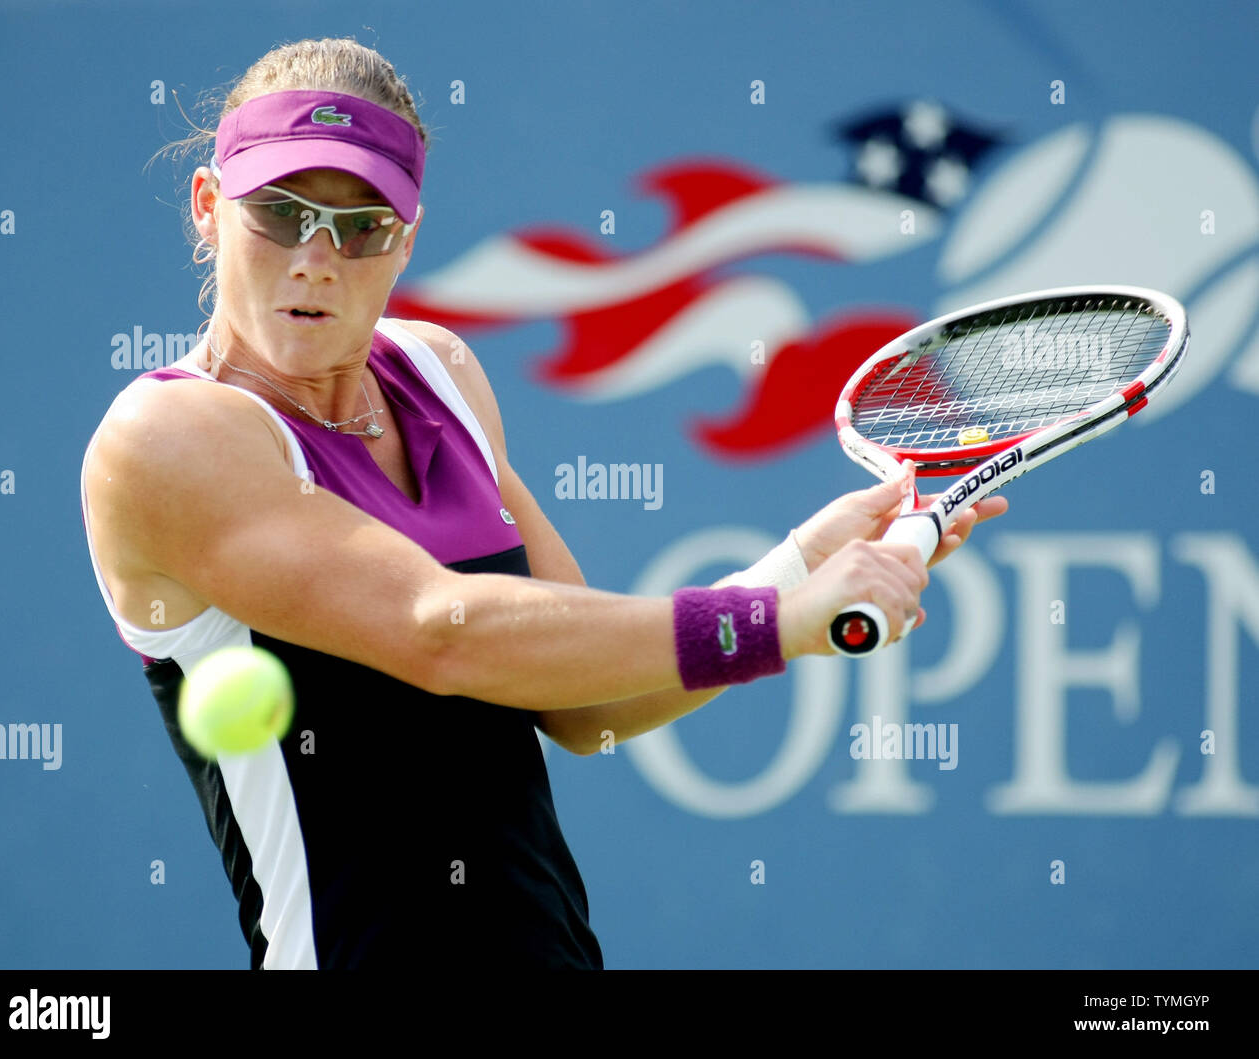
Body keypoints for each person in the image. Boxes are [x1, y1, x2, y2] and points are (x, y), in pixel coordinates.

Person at [80, 37, 1004, 970]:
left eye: (360, 226)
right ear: (209, 207)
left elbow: (584, 711)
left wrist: (797, 561)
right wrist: (776, 620)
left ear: (405, 239)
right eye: (281, 213)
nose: (316, 258)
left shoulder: (442, 375)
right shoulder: (166, 437)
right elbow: (441, 631)